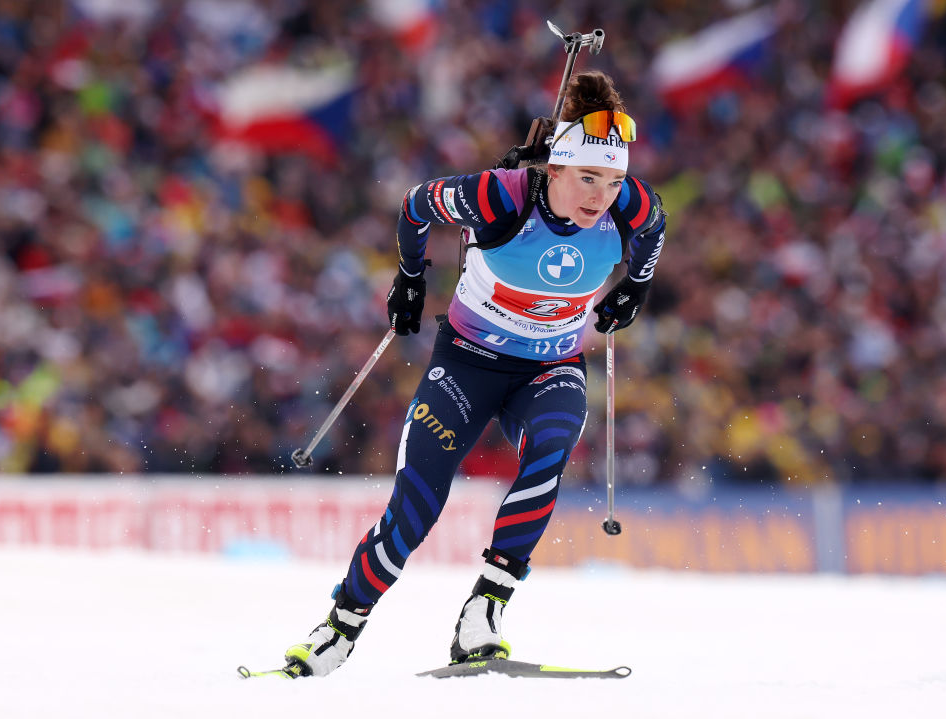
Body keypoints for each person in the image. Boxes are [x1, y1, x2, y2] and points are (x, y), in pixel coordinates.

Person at [283, 71, 666, 676]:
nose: (600, 197)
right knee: (418, 502)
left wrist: (636, 287)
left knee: (552, 448)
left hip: (551, 365)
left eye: (612, 181)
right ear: (554, 171)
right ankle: (339, 630)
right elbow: (415, 206)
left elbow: (654, 227)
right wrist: (410, 276)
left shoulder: (627, 206)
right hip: (467, 364)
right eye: (586, 179)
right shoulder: (500, 197)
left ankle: (484, 610)